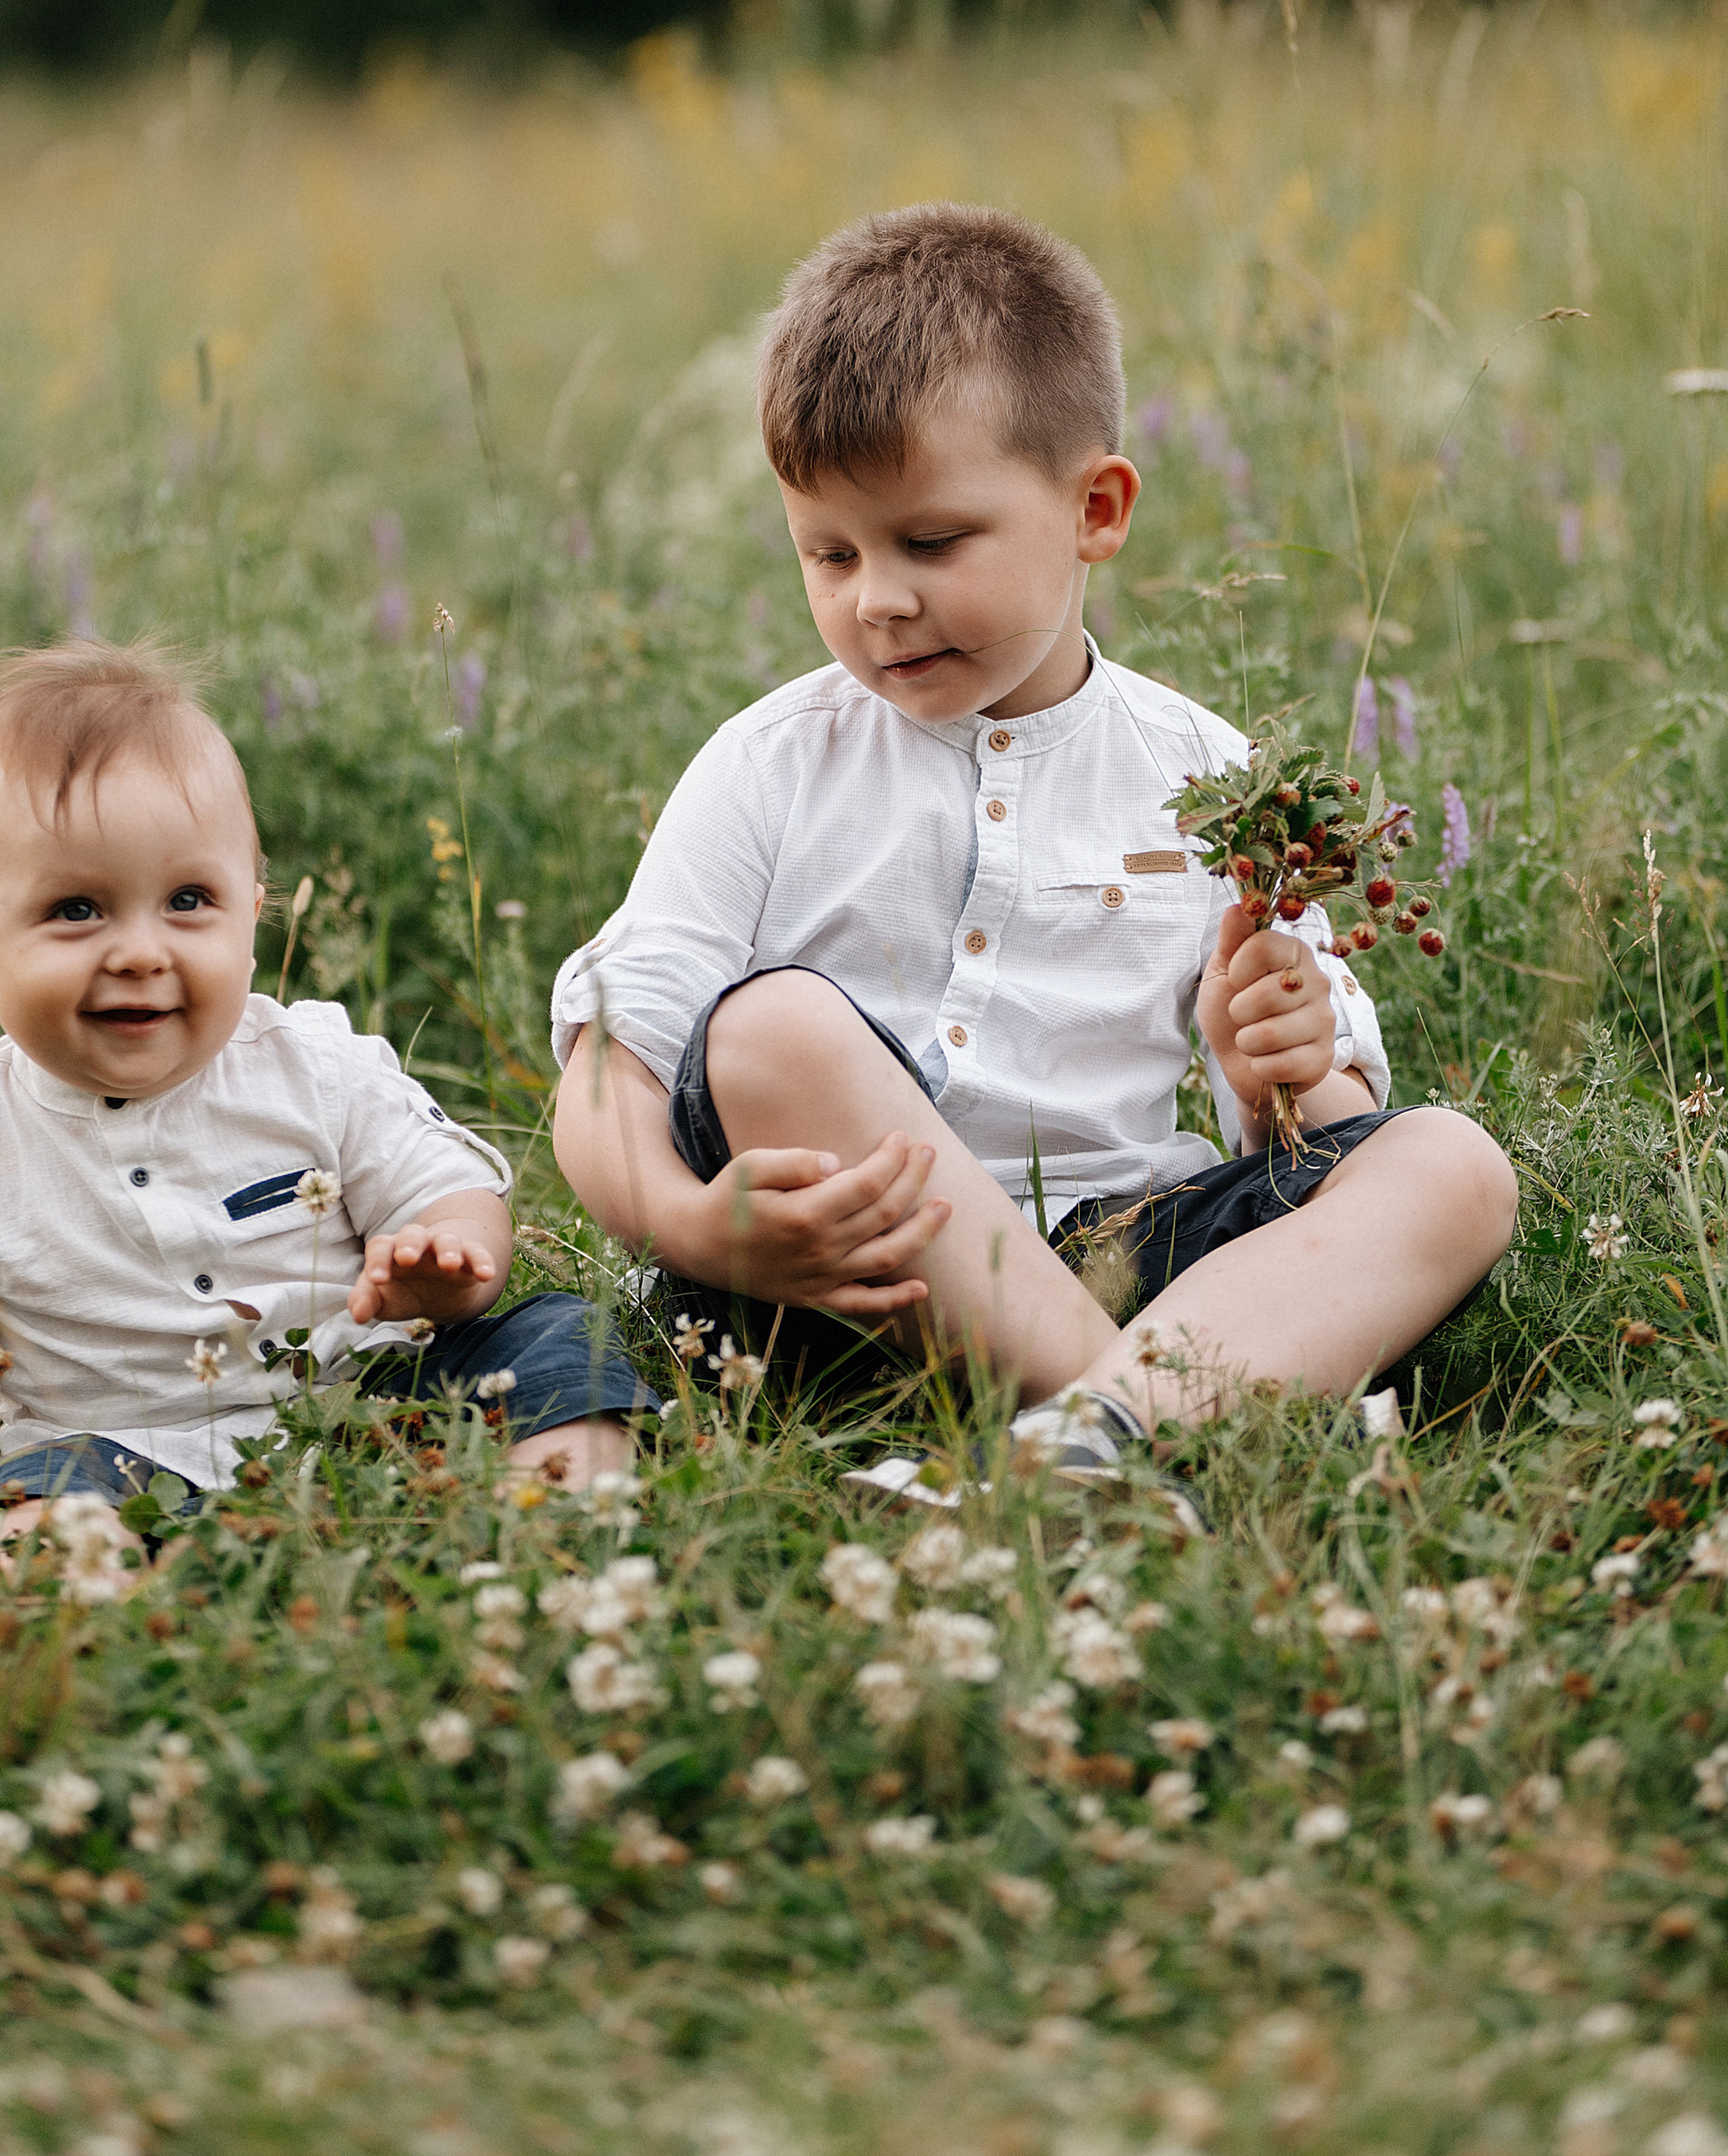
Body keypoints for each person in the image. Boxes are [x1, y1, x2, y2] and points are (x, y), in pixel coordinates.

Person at [549, 203, 1515, 1507]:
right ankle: (1150, 1417)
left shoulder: (1207, 779)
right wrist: (686, 1221)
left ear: (1096, 509)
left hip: (1120, 1244)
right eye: (828, 553)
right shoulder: (772, 762)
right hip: (838, 1275)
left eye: (930, 542)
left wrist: (1272, 1068)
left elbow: (1315, 1133)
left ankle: (1086, 1439)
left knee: (1452, 1165)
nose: (875, 598)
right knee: (772, 1032)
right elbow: (613, 1060)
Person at [0, 640, 652, 1523]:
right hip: (122, 1462)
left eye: (186, 901)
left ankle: (559, 1510)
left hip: (372, 1407)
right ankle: (93, 1587)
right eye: (75, 910)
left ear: (251, 916)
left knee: (556, 1335)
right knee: (36, 1503)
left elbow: (446, 1190)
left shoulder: (317, 1066)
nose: (141, 952)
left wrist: (446, 1262)